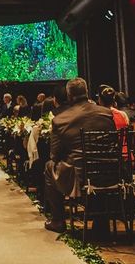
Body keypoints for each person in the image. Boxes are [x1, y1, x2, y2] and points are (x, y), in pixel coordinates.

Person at [44, 78, 116, 233]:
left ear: (69, 96)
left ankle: (58, 220)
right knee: (95, 164)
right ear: (87, 92)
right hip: (111, 171)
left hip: (80, 175)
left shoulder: (60, 119)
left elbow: (54, 155)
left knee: (49, 167)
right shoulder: (106, 113)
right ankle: (101, 223)